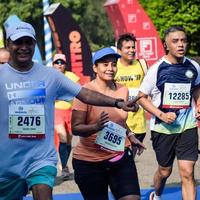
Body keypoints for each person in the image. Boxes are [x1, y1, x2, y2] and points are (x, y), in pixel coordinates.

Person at [0, 21, 140, 200]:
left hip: (40, 159)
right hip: (7, 162)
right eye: (18, 42)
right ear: (7, 44)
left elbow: (85, 94)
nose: (24, 47)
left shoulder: (50, 75)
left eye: (29, 42)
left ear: (34, 44)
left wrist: (118, 103)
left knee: (43, 193)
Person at [71, 47, 146, 200]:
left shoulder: (122, 89)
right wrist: (95, 127)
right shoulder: (85, 92)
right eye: (105, 64)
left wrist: (131, 135)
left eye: (113, 64)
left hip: (119, 156)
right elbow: (76, 128)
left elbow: (117, 119)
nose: (110, 68)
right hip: (89, 161)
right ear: (95, 68)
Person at [137, 26, 200, 200]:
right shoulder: (157, 69)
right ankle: (156, 194)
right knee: (165, 170)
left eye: (183, 40)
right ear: (166, 45)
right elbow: (141, 98)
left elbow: (196, 88)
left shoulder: (193, 66)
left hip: (187, 126)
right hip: (163, 129)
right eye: (175, 41)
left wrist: (199, 104)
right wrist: (162, 115)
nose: (181, 45)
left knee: (187, 173)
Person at [115, 33, 148, 157]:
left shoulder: (141, 64)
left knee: (130, 159)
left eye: (133, 47)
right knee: (117, 159)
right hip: (118, 121)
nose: (132, 50)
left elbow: (148, 90)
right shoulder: (113, 67)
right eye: (127, 48)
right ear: (119, 50)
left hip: (138, 122)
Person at [53, 53, 80, 180]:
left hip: (70, 112)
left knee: (69, 141)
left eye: (61, 62)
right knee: (62, 137)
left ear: (65, 64)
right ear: (53, 64)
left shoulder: (72, 77)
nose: (59, 65)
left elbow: (79, 93)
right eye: (57, 62)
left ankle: (64, 164)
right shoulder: (49, 76)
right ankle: (63, 166)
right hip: (56, 111)